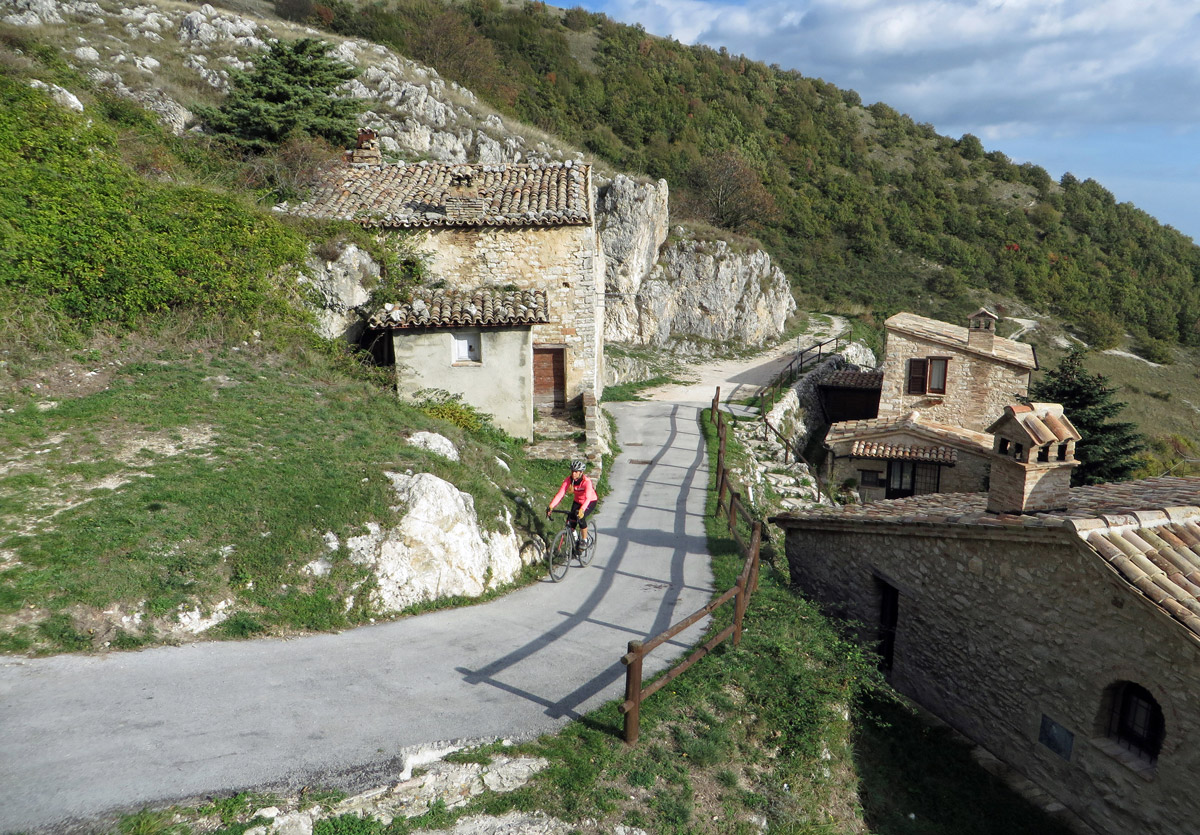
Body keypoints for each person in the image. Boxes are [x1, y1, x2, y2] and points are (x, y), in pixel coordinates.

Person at [547, 459, 597, 550]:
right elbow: (560, 494)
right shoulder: (569, 480)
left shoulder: (587, 482)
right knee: (571, 522)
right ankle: (575, 545)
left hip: (589, 501)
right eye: (572, 471)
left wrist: (582, 510)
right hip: (577, 501)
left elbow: (588, 498)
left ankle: (585, 540)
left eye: (576, 472)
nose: (573, 473)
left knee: (581, 518)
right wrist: (551, 506)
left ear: (581, 472)